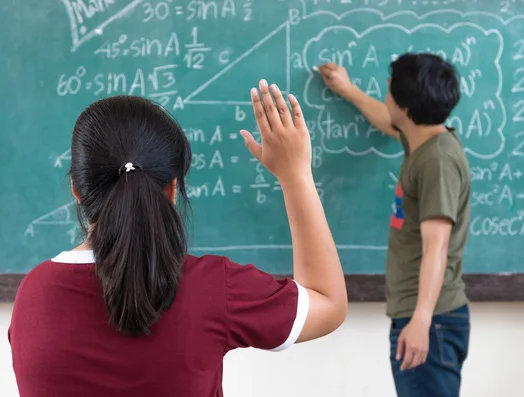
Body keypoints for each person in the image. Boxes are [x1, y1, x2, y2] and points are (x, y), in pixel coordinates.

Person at [8, 81, 348, 397]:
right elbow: (327, 303)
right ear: (172, 189)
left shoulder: (33, 295)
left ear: (77, 191)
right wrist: (296, 176)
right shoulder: (213, 287)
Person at [316, 53, 471, 396]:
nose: (386, 91)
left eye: (390, 87)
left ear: (405, 104)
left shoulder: (437, 161)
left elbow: (437, 246)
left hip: (432, 321)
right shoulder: (424, 140)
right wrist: (348, 90)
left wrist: (421, 320)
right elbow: (387, 122)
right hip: (426, 317)